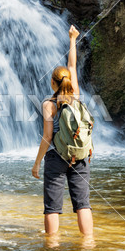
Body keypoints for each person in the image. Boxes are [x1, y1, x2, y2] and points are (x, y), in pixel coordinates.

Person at [32, 25, 93, 239]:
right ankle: (88, 245)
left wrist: (37, 162)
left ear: (52, 82)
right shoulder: (75, 94)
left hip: (57, 157)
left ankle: (53, 250)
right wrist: (72, 39)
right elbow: (72, 65)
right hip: (80, 155)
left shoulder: (49, 104)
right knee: (83, 204)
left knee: (52, 207)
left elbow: (48, 137)